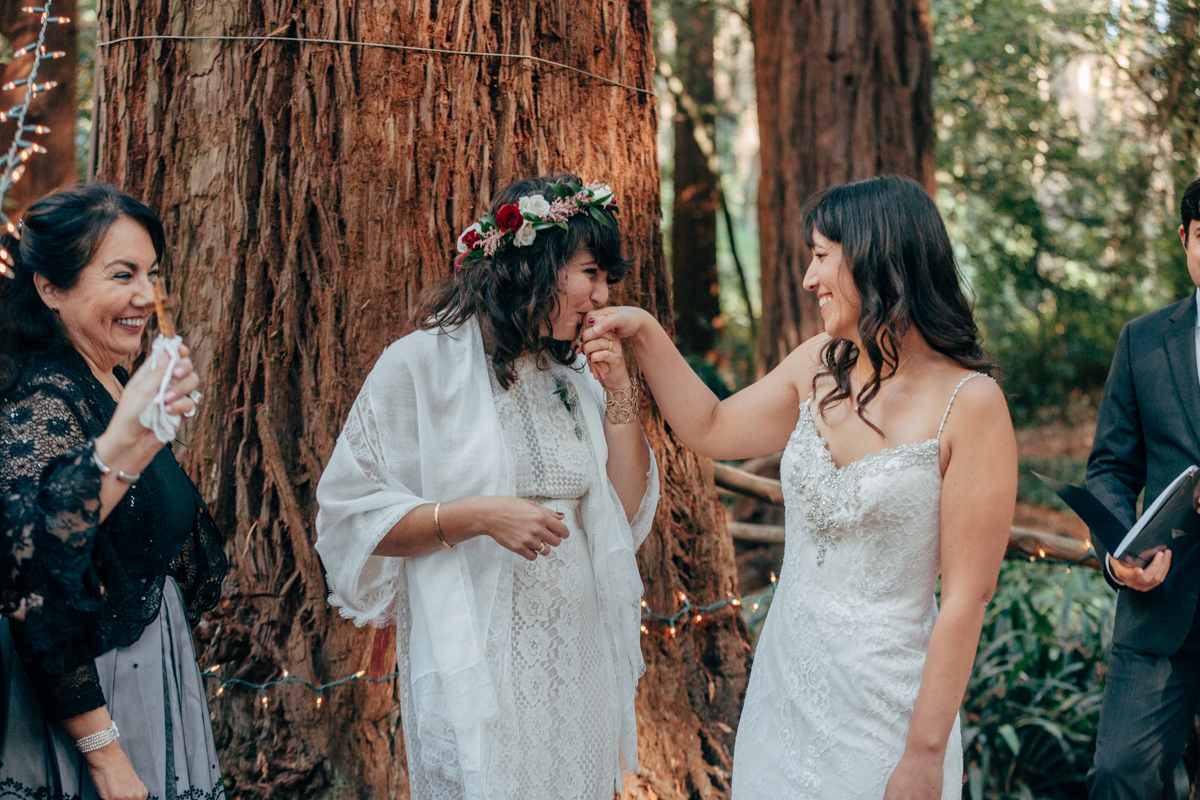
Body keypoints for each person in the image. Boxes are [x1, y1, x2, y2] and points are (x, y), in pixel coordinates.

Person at [584, 175, 1017, 799]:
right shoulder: (820, 363)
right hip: (786, 690)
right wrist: (645, 334)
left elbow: (966, 601)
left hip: (889, 710)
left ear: (874, 256)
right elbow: (710, 426)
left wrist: (923, 753)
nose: (810, 280)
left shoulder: (970, 405)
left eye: (820, 257)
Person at [315, 173, 659, 800]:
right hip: (478, 650)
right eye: (591, 273)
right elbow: (350, 515)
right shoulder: (420, 365)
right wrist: (476, 516)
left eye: (609, 279)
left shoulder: (574, 373)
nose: (603, 295)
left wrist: (619, 396)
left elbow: (626, 509)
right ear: (535, 265)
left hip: (575, 648)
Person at [0, 183, 228, 800]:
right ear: (49, 287)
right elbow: (33, 578)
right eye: (122, 274)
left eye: (152, 273)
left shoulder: (114, 375)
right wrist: (103, 754)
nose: (144, 296)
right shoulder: (44, 402)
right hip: (88, 706)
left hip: (149, 676)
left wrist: (147, 433)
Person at [1085, 176, 1200, 800]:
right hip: (1160, 611)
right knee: (1119, 776)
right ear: (1185, 239)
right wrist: (1118, 550)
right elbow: (1110, 467)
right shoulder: (1143, 340)